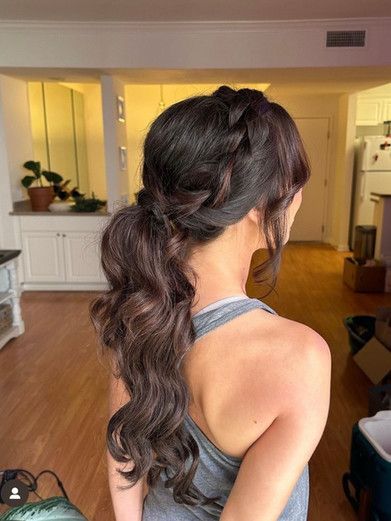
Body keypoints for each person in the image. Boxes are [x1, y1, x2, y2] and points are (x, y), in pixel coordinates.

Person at [89, 85, 332, 521]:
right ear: (260, 203)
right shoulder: (300, 357)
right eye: (295, 187)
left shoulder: (141, 310)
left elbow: (123, 455)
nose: (297, 200)